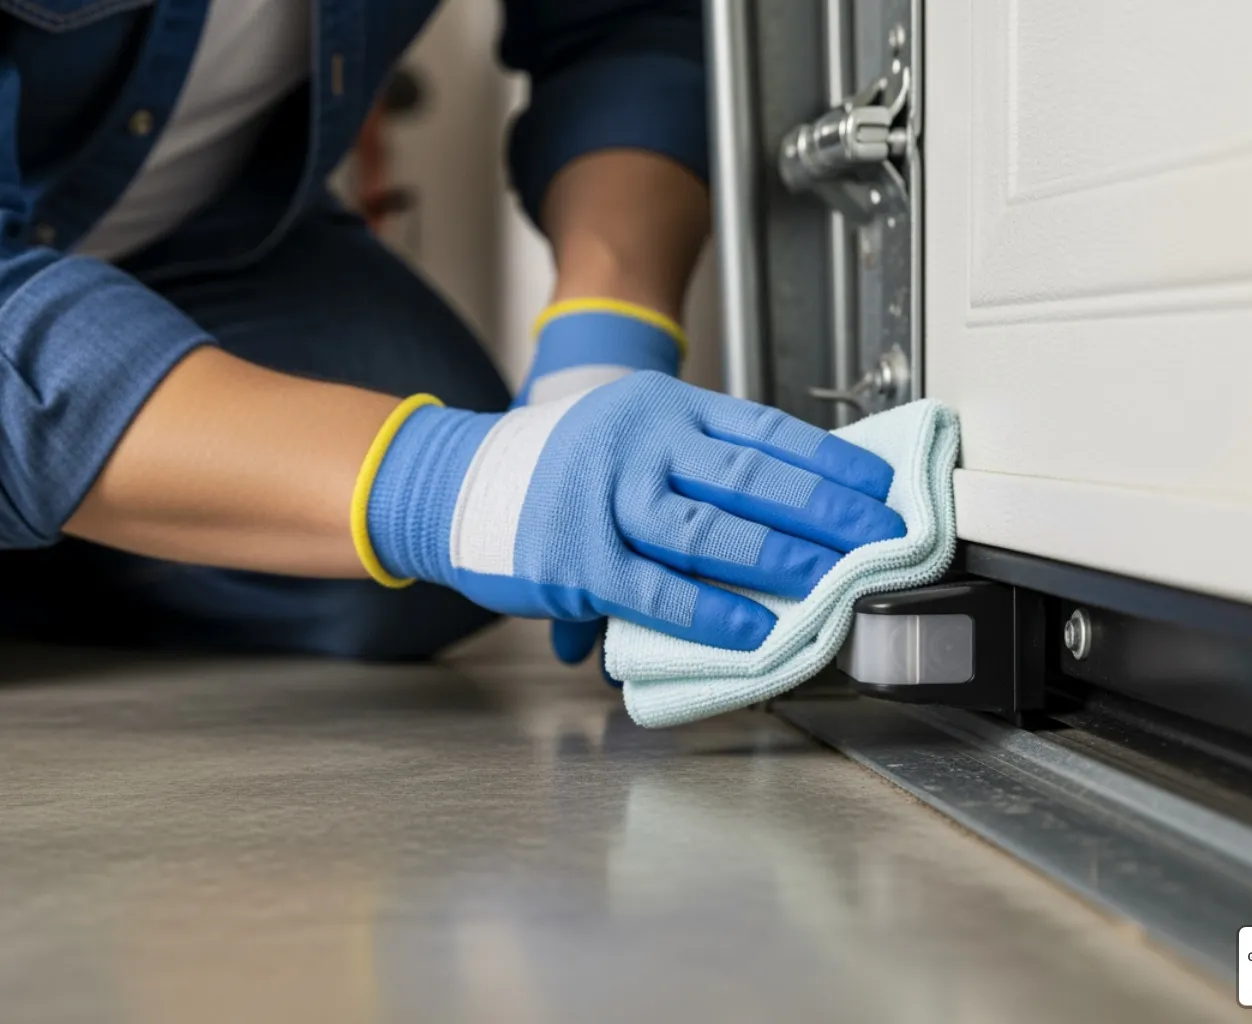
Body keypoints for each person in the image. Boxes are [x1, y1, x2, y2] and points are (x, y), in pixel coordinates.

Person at [0, 0, 903, 665]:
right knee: (416, 507)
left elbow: (615, 28)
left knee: (401, 586)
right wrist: (454, 487)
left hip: (209, 231)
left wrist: (605, 330)